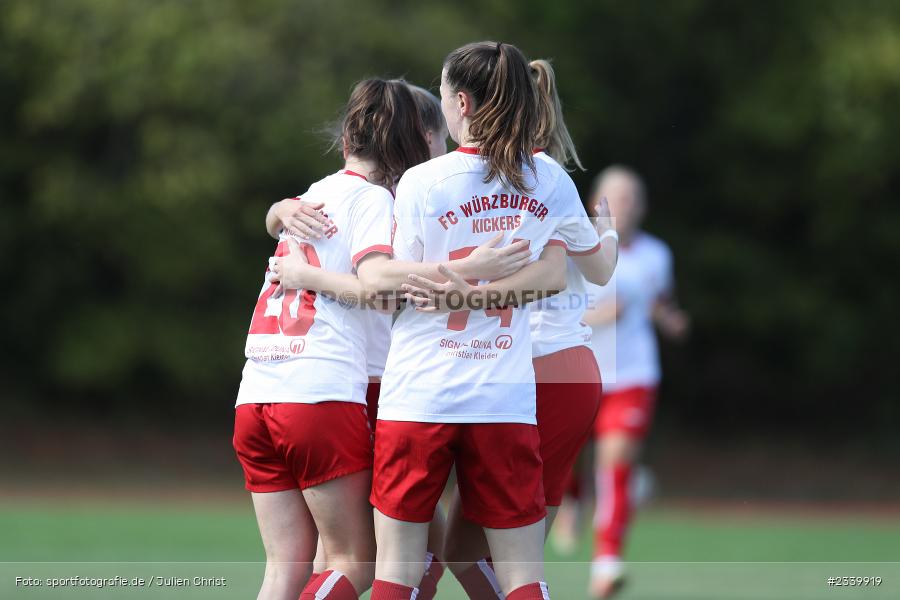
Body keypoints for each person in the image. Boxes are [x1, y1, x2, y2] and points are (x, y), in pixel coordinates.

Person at [354, 41, 608, 600]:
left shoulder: (426, 181)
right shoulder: (548, 179)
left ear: (462, 103)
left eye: (444, 94)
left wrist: (453, 289)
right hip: (503, 395)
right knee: (523, 576)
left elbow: (398, 281)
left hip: (421, 389)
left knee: (397, 570)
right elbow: (555, 274)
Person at [231, 78, 430, 600]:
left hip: (256, 393)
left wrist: (276, 210)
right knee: (357, 561)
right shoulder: (372, 202)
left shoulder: (313, 194)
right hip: (316, 394)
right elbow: (376, 287)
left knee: (286, 568)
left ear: (347, 142)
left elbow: (283, 224)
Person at [437, 58, 619, 600]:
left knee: (477, 553)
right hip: (555, 368)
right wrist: (606, 230)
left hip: (523, 368)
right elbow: (602, 270)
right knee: (486, 554)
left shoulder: (475, 176)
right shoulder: (549, 181)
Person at [582, 165, 690, 599]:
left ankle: (606, 564)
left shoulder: (657, 255)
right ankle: (572, 506)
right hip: (581, 376)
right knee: (557, 466)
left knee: (615, 467)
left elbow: (662, 304)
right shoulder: (576, 248)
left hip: (634, 375)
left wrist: (672, 321)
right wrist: (597, 317)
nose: (625, 206)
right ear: (598, 202)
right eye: (617, 197)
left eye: (633, 198)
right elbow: (546, 313)